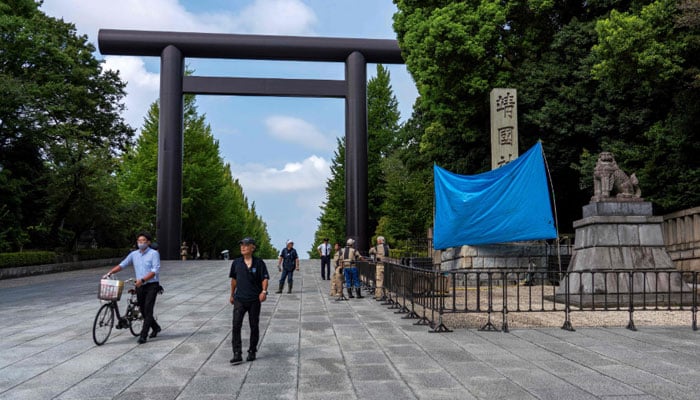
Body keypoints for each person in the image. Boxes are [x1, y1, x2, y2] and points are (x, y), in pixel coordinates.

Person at [105, 232, 162, 344]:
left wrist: (143, 280)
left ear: (148, 242)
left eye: (143, 241)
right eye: (139, 241)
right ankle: (155, 327)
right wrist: (110, 272)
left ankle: (143, 335)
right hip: (139, 285)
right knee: (143, 310)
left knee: (148, 310)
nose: (141, 243)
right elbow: (123, 264)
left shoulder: (154, 254)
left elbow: (155, 271)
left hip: (151, 285)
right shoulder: (134, 254)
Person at [229, 237, 269, 365]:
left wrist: (264, 291)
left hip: (254, 300)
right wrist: (231, 295)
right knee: (236, 326)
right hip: (239, 299)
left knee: (254, 326)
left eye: (246, 245)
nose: (243, 247)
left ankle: (252, 350)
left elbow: (265, 278)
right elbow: (234, 280)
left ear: (253, 247)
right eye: (241, 245)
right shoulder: (236, 263)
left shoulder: (259, 263)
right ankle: (237, 353)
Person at [368, 236, 390, 300]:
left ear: (380, 241)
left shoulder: (376, 247)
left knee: (379, 280)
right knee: (386, 281)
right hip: (387, 265)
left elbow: (370, 251)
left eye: (378, 240)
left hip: (379, 265)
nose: (377, 241)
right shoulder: (387, 247)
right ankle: (387, 295)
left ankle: (378, 295)